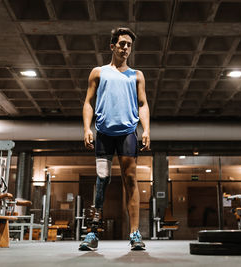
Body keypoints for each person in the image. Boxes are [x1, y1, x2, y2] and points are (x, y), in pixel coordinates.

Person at [80, 27, 150, 251]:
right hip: (104, 133)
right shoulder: (98, 72)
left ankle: (135, 234)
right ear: (112, 46)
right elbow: (88, 102)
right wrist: (86, 128)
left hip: (128, 133)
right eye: (122, 44)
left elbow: (143, 104)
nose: (126, 48)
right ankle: (92, 233)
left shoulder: (137, 75)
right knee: (102, 181)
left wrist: (146, 129)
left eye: (129, 44)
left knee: (131, 180)